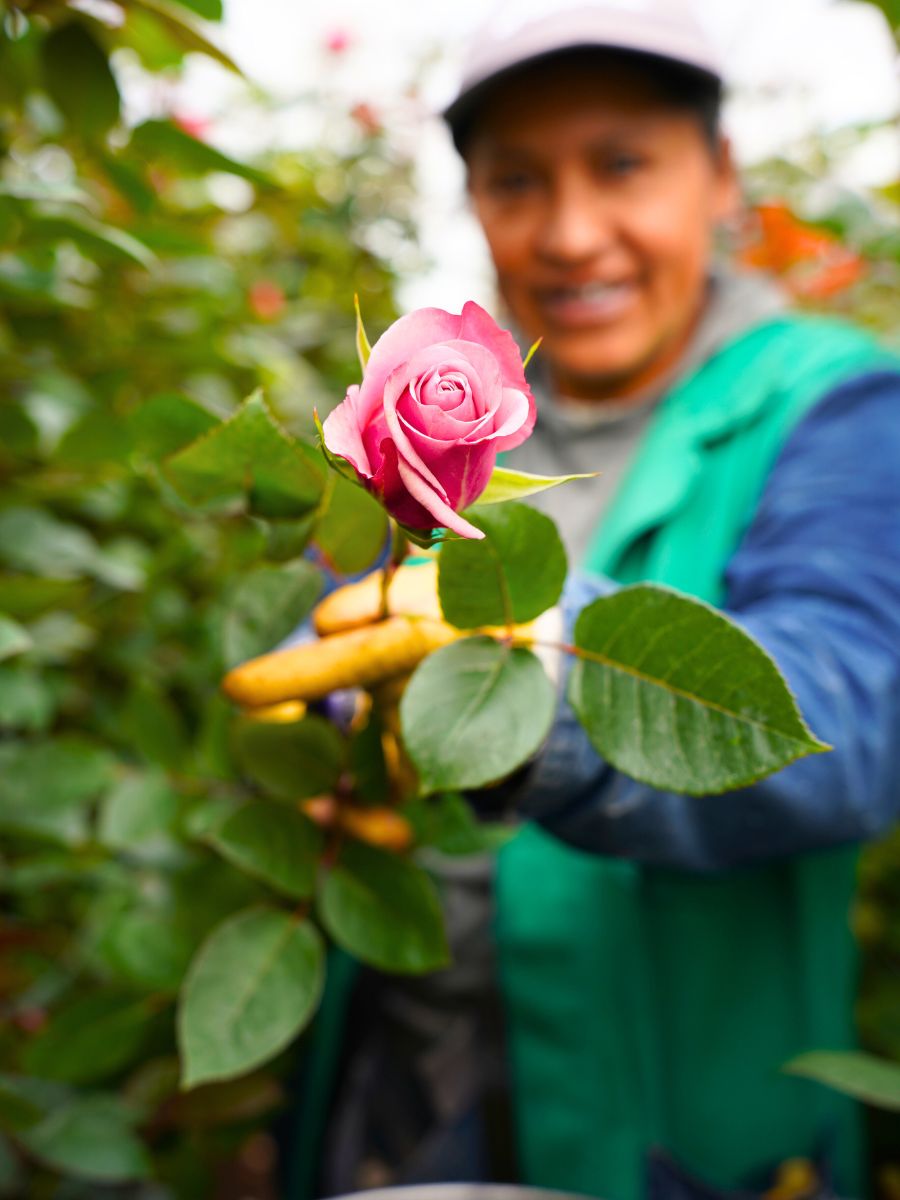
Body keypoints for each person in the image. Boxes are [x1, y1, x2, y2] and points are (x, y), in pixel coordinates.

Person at [276, 3, 900, 1196]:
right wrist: (325, 720)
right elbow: (346, 644)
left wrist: (531, 689)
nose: (569, 233)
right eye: (516, 180)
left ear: (720, 177)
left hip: (668, 1128)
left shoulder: (839, 405)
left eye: (622, 165)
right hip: (406, 1077)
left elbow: (847, 720)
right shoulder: (435, 426)